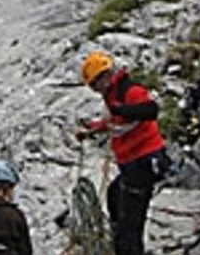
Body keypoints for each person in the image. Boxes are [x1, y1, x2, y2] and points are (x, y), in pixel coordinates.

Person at [74, 51, 168, 255]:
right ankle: (122, 240)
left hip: (143, 161)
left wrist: (121, 109)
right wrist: (91, 129)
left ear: (105, 77)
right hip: (131, 163)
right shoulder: (113, 96)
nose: (95, 90)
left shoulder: (130, 92)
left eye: (95, 84)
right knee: (114, 195)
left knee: (129, 228)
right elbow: (114, 123)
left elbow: (150, 110)